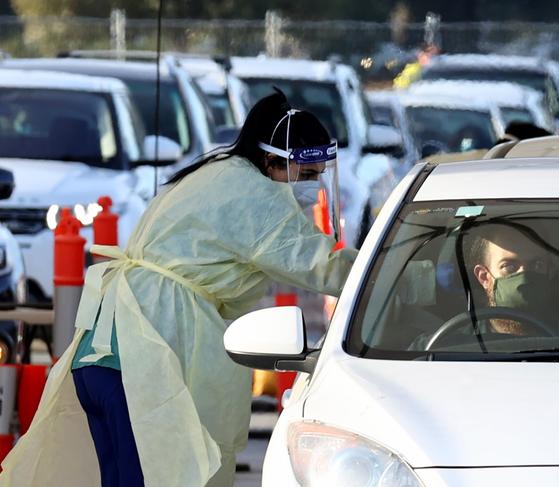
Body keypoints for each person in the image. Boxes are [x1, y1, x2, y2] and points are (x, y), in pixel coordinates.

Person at [0, 91, 357, 487]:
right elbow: (320, 266)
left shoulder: (215, 174)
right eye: (306, 175)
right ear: (271, 161)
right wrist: (397, 271)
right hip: (140, 364)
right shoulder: (254, 195)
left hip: (103, 355)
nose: (313, 185)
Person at [468, 223, 558, 335]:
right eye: (509, 266)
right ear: (484, 277)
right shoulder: (456, 346)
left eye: (537, 265)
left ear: (550, 272)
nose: (523, 278)